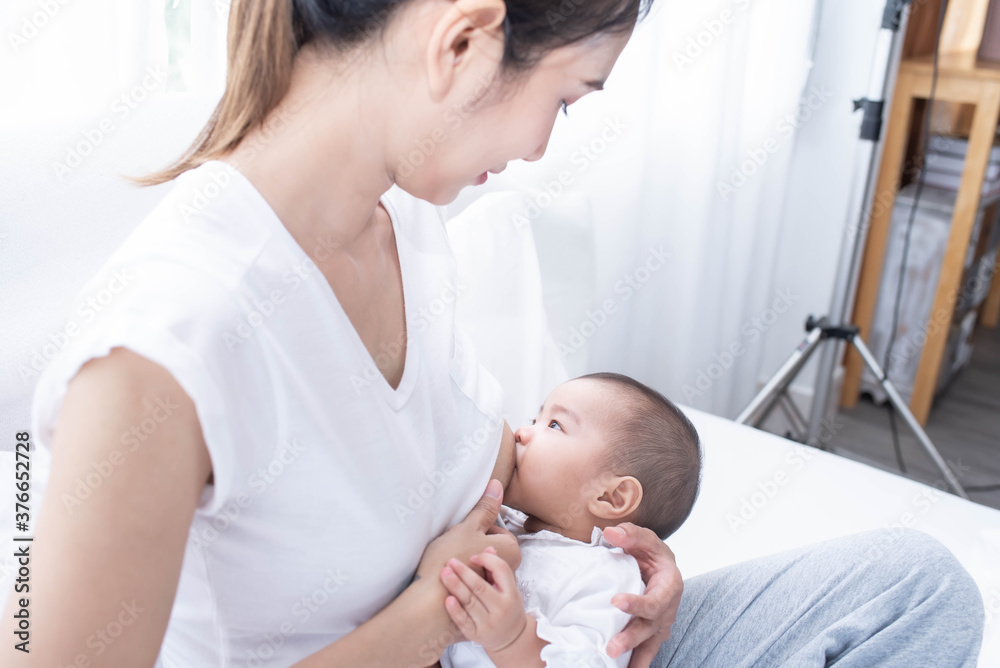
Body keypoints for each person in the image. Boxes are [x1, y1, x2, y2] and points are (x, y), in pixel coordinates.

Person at [0, 0, 984, 666]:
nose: (539, 149)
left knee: (912, 584)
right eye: (565, 96)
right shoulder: (167, 348)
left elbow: (470, 465)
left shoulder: (411, 222)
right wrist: (421, 623)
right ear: (463, 39)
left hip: (537, 636)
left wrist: (611, 562)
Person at [439, 372, 702, 668]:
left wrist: (514, 639)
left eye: (554, 425)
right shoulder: (504, 520)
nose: (521, 432)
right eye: (535, 419)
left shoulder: (607, 577)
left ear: (611, 497)